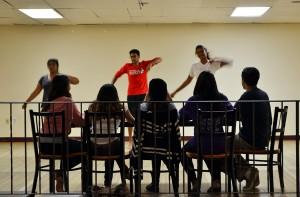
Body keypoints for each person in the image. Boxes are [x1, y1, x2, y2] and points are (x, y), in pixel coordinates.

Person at [180, 71, 233, 193]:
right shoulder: (222, 98)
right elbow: (231, 115)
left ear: (198, 84)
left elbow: (182, 116)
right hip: (221, 142)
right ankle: (216, 182)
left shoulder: (194, 100)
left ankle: (194, 181)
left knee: (183, 152)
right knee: (211, 150)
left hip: (201, 142)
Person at [131, 78, 180, 193]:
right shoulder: (171, 109)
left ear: (150, 91)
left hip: (145, 148)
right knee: (158, 148)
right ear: (165, 91)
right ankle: (158, 184)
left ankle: (153, 185)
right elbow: (176, 126)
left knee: (154, 147)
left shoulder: (143, 108)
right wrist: (170, 99)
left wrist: (146, 99)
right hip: (166, 147)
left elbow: (137, 130)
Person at [42, 75, 84, 192]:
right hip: (60, 145)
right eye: (68, 83)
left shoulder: (48, 102)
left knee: (72, 146)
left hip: (44, 145)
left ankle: (60, 174)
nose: (70, 85)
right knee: (86, 148)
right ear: (65, 86)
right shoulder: (67, 101)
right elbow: (79, 120)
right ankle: (63, 173)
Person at [88, 84, 134, 188]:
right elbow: (132, 121)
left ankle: (106, 182)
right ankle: (123, 173)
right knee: (114, 143)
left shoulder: (92, 106)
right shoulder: (121, 107)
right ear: (115, 95)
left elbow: (88, 123)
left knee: (111, 144)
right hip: (111, 147)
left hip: (93, 147)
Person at [234, 67, 272, 191]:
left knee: (220, 145)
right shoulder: (264, 94)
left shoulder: (246, 96)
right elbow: (269, 119)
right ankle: (249, 171)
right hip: (264, 139)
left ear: (243, 80)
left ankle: (248, 171)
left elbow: (232, 115)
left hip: (250, 140)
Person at [112, 49, 162, 143]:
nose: (133, 58)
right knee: (130, 116)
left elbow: (159, 59)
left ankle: (144, 137)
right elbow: (117, 75)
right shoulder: (127, 66)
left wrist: (151, 64)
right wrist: (111, 84)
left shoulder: (144, 64)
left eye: (134, 56)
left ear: (138, 57)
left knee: (144, 115)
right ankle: (130, 139)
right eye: (131, 56)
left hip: (143, 95)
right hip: (131, 95)